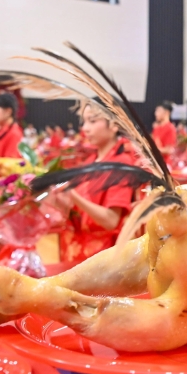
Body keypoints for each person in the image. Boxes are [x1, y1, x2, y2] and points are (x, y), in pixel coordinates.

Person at [54, 101, 137, 264]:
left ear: (114, 125)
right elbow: (78, 209)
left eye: (92, 121)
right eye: (84, 122)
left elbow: (111, 221)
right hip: (78, 249)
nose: (85, 128)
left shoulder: (121, 165)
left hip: (104, 258)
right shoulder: (91, 161)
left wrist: (73, 195)